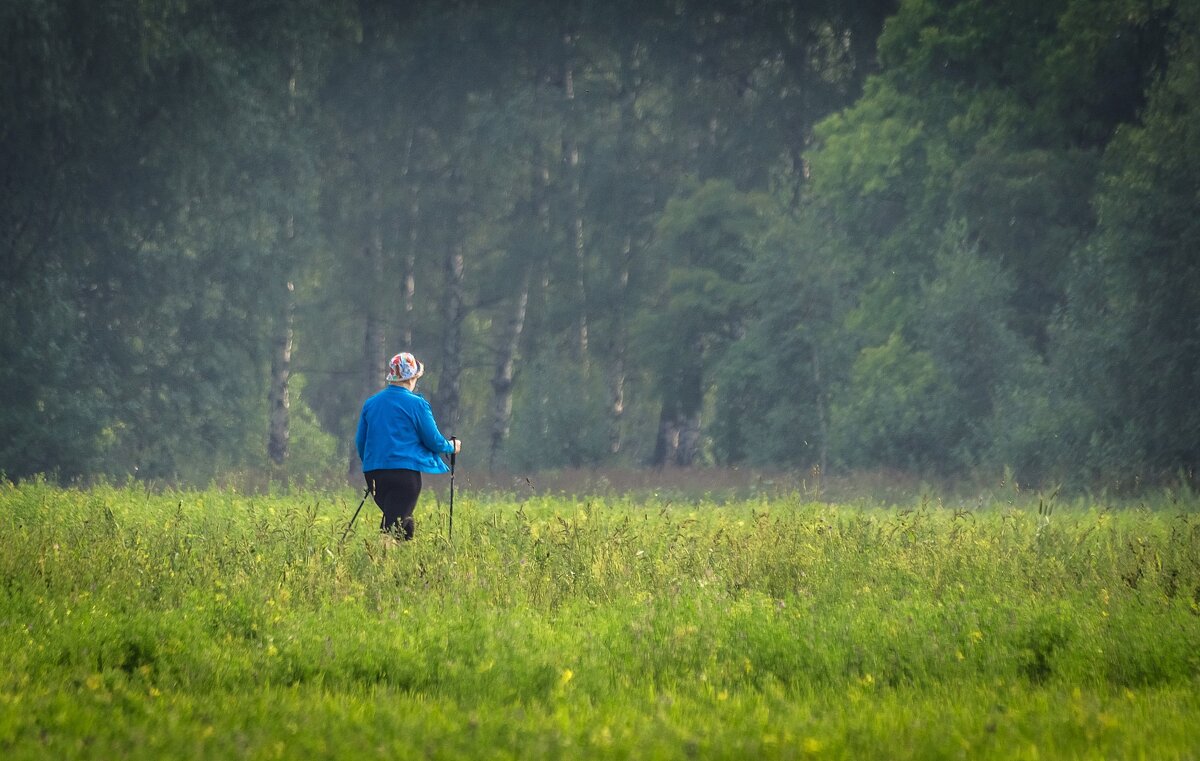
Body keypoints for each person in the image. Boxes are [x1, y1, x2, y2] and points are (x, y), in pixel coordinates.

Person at [355, 352, 461, 540]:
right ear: (412, 377)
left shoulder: (370, 404)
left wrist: (373, 464)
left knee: (402, 521)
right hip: (404, 474)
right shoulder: (417, 404)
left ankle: (403, 562)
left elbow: (361, 442)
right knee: (392, 527)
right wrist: (451, 446)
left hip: (374, 474)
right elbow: (433, 441)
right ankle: (380, 564)